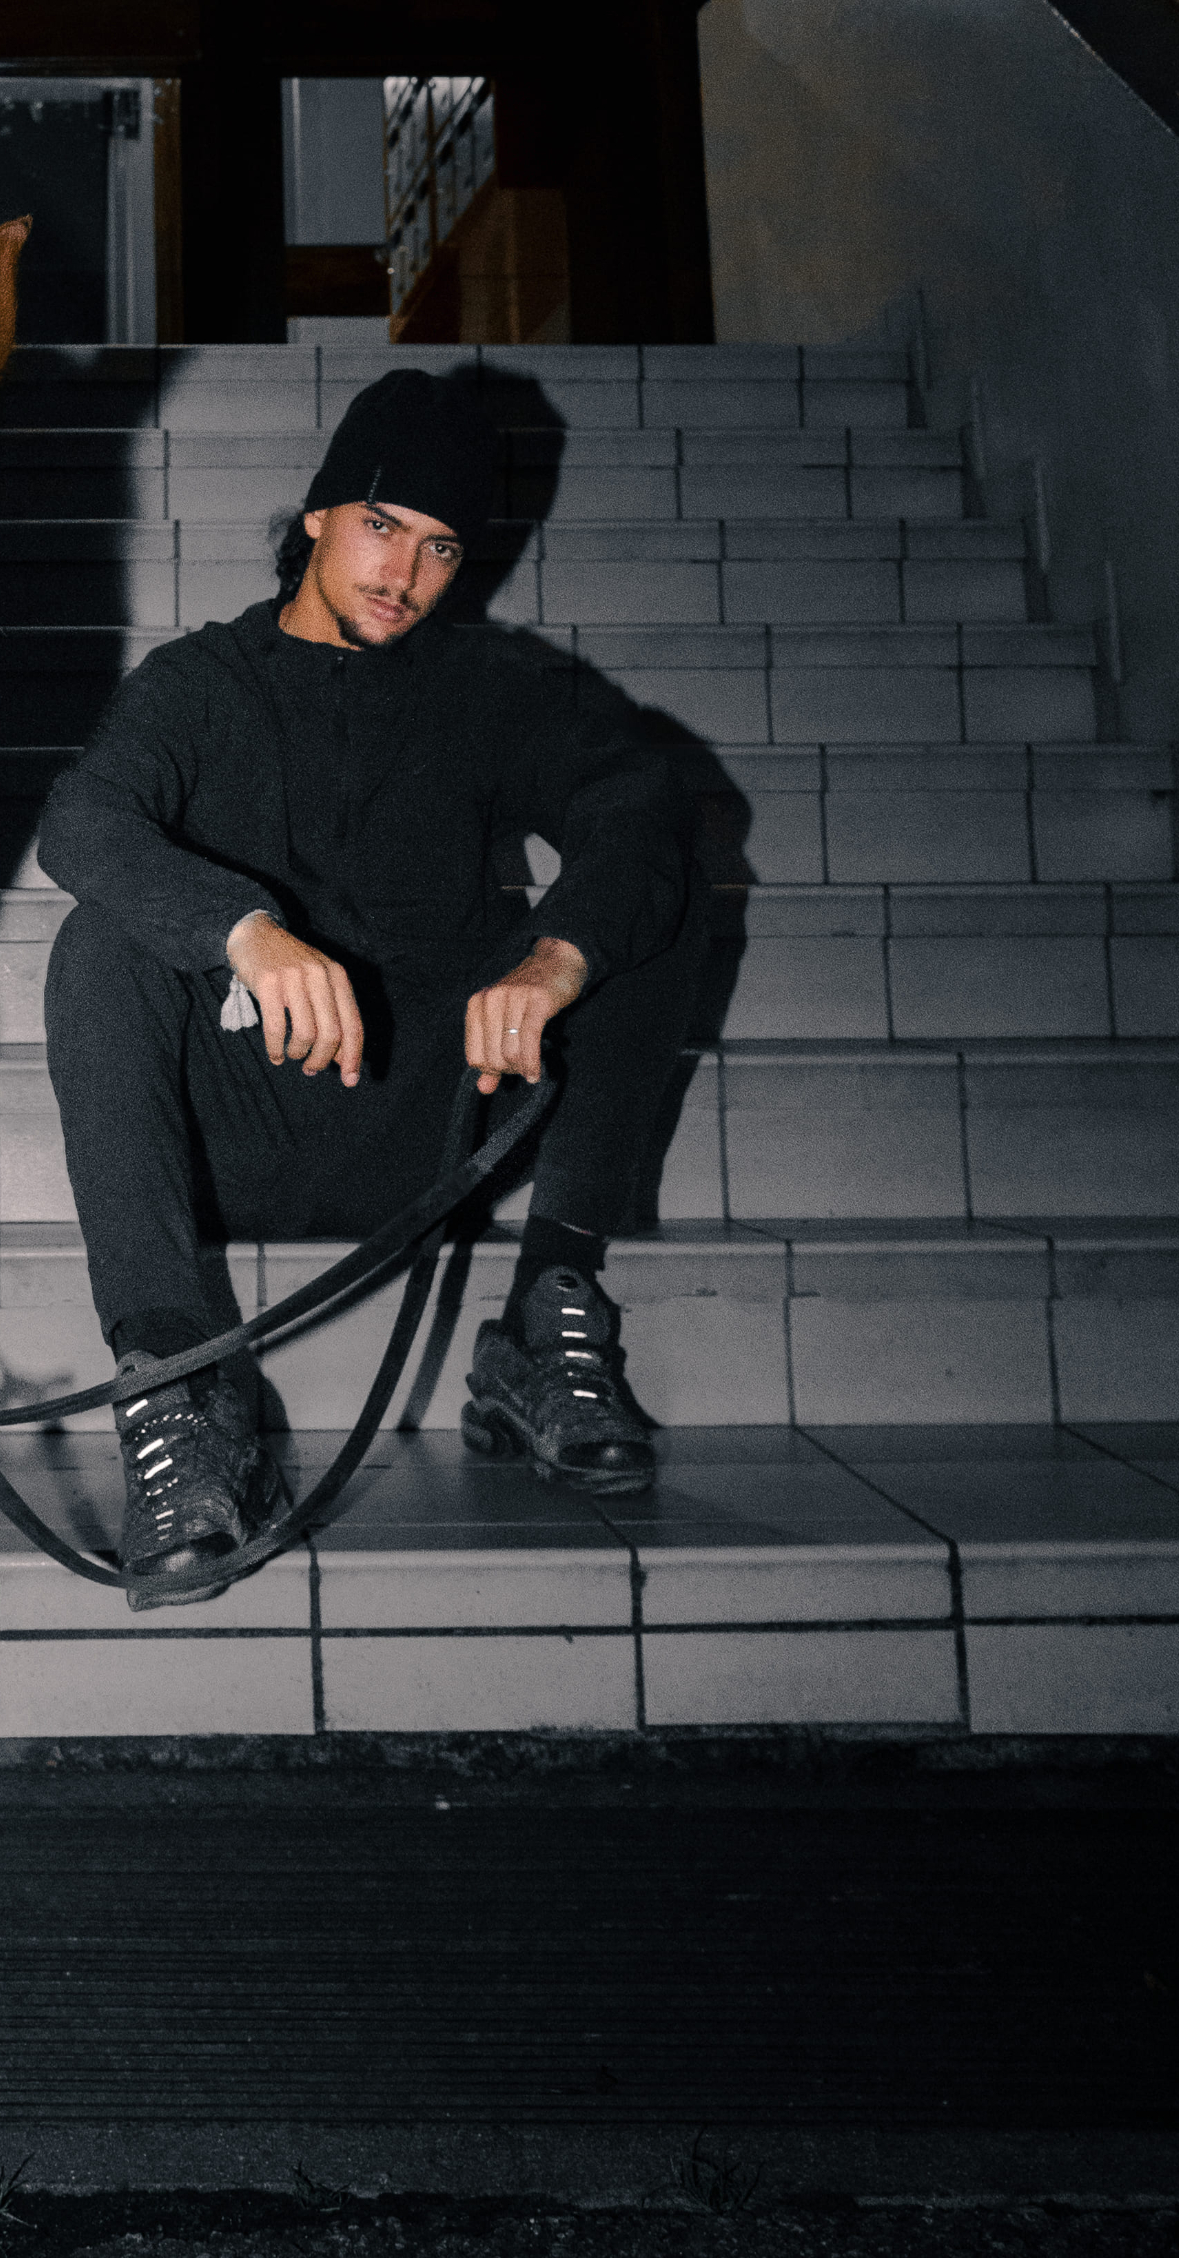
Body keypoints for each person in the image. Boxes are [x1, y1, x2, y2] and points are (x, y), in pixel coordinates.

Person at [38, 364, 699, 1609]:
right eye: (380, 527)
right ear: (316, 517)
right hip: (242, 1119)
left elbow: (634, 807)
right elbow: (84, 818)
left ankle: (545, 1310)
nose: (402, 573)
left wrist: (555, 959)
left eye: (439, 545)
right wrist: (240, 931)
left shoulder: (492, 690)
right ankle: (176, 1377)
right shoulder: (200, 684)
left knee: (640, 897)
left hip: (440, 1108)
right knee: (99, 944)